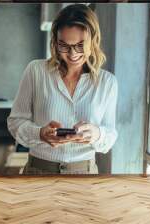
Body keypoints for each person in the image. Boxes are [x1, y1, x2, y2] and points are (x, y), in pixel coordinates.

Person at [7, 4, 118, 174]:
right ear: (55, 42)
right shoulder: (36, 70)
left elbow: (109, 137)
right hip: (38, 170)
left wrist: (96, 134)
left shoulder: (108, 82)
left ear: (93, 40)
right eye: (64, 45)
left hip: (85, 174)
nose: (72, 54)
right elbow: (15, 122)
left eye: (80, 45)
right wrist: (39, 134)